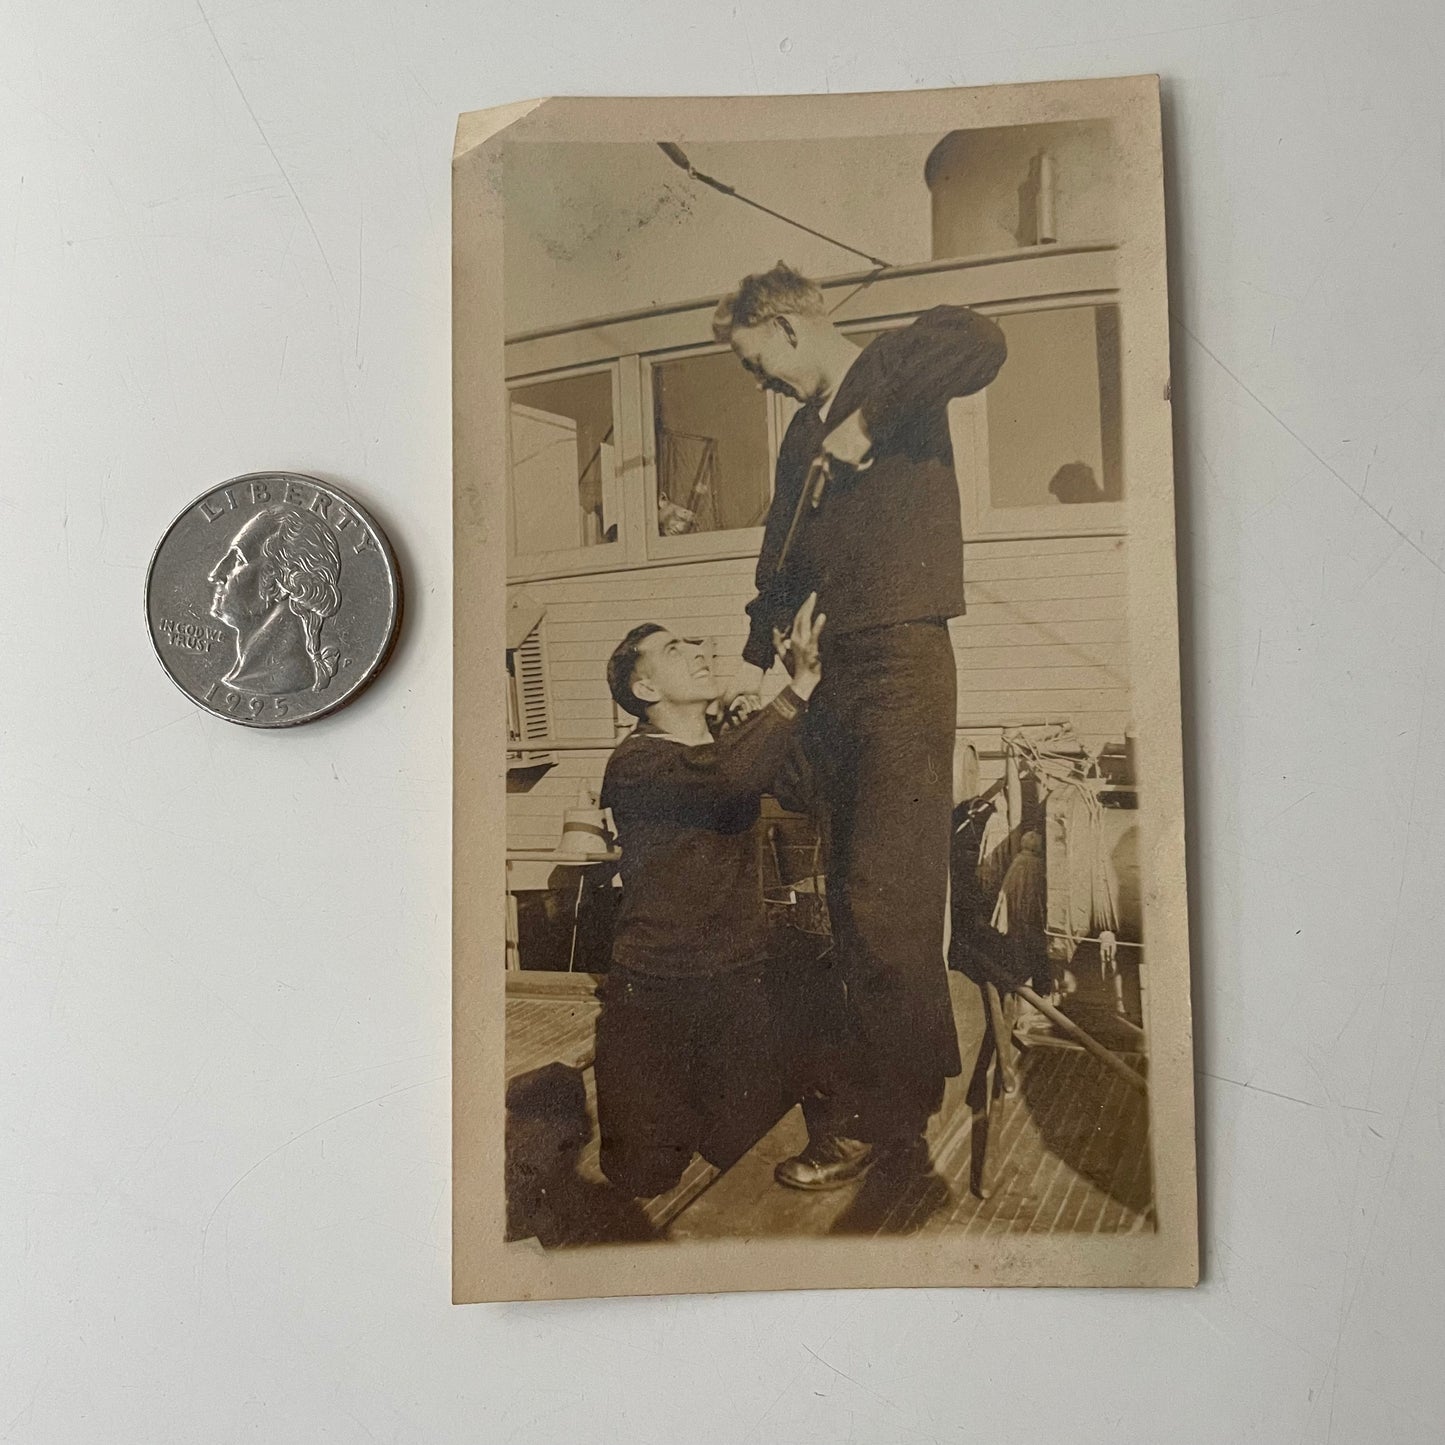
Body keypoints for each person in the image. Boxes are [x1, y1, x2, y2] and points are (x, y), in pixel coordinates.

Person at [712, 262, 1008, 1189]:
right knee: (845, 897)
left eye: (761, 366)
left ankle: (888, 1123)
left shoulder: (889, 369)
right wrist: (753, 660)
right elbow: (782, 552)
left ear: (790, 328)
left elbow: (979, 340)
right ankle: (895, 1093)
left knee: (887, 899)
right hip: (831, 674)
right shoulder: (801, 433)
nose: (763, 387)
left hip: (899, 665)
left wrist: (867, 426)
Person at [593, 595, 825, 1198]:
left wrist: (764, 718)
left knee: (740, 1153)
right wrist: (794, 688)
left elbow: (799, 789)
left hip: (737, 982)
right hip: (655, 995)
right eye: (675, 650)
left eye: (694, 643)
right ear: (644, 689)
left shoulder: (728, 748)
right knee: (642, 1176)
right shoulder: (635, 763)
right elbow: (725, 777)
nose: (699, 653)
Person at [208, 504, 342, 694]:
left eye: (238, 560)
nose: (216, 574)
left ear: (278, 583)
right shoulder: (248, 677)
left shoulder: (280, 678)